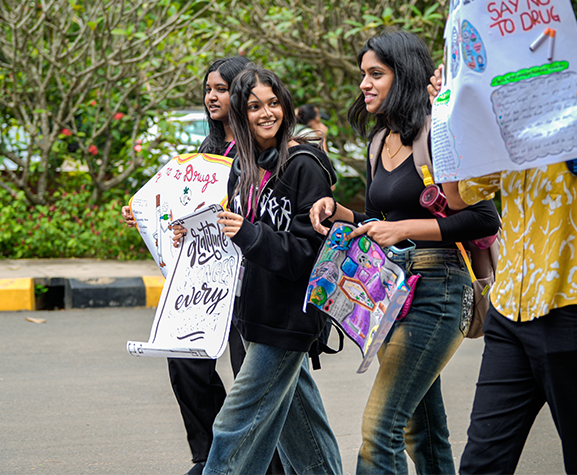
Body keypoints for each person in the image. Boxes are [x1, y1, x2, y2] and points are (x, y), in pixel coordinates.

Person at [309, 30, 500, 475]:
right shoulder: (380, 140)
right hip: (392, 291)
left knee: (380, 429)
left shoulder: (438, 133)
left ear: (405, 75)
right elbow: (380, 220)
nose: (364, 84)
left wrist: (404, 229)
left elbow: (484, 218)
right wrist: (339, 212)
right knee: (422, 432)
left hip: (439, 287)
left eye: (376, 74)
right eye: (363, 74)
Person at [432, 67, 577, 475]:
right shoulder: (503, 127)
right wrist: (446, 112)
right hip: (510, 316)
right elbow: (456, 196)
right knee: (481, 466)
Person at [174, 65, 343, 475]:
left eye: (273, 103)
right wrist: (192, 232)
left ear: (286, 106)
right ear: (241, 113)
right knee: (303, 435)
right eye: (254, 106)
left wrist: (249, 234)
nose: (266, 113)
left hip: (286, 319)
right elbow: (230, 233)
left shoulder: (304, 165)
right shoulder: (244, 168)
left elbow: (307, 253)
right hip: (253, 312)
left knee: (233, 428)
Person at [121, 56, 283, 475]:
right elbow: (184, 212)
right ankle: (209, 457)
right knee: (185, 359)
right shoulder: (205, 154)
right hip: (204, 279)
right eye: (208, 89)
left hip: (249, 279)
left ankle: (267, 466)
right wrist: (149, 214)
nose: (212, 97)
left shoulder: (262, 151)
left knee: (251, 382)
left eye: (221, 89)